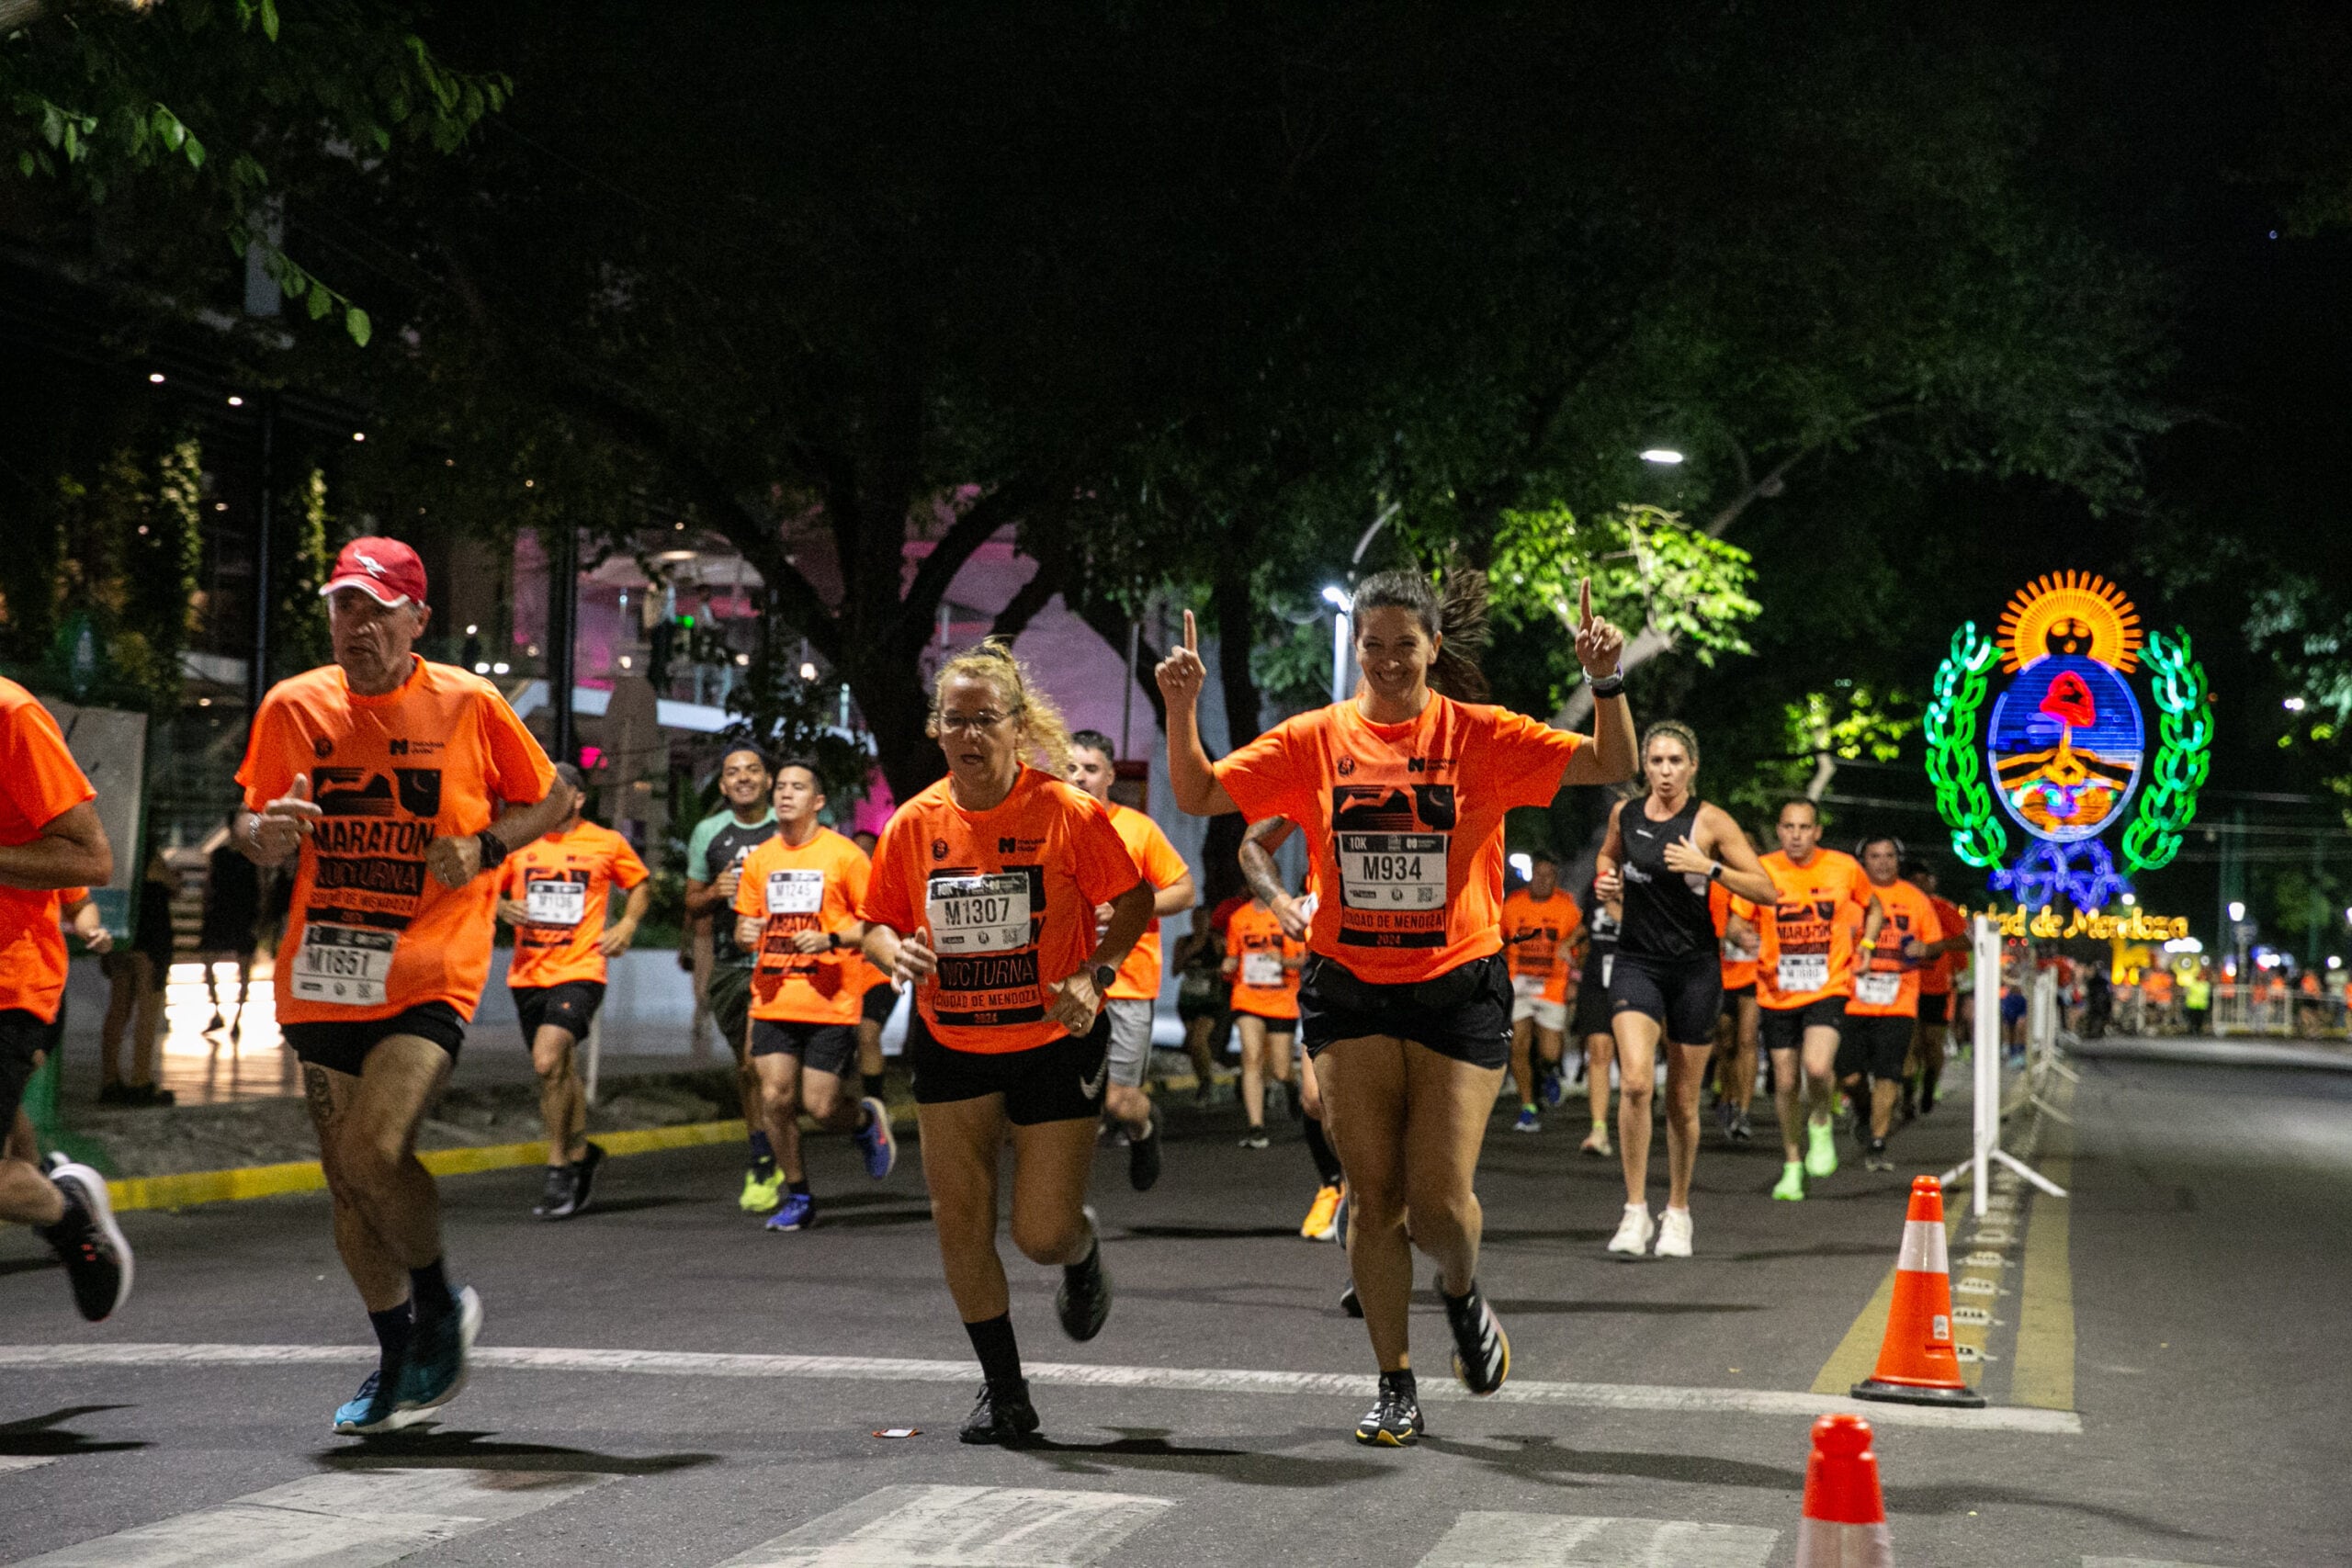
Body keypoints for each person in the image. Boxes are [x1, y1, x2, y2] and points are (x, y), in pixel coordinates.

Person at [1158, 567, 1634, 1446]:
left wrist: (1605, 679)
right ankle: (1394, 1380)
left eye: (1402, 646)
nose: (1384, 661)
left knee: (1440, 1203)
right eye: (1370, 645)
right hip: (1350, 984)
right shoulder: (1313, 739)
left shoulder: (1481, 737)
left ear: (1432, 649)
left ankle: (1460, 1292)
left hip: (1457, 984)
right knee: (1373, 1198)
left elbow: (1612, 762)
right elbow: (1198, 794)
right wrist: (1181, 706)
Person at [235, 536, 567, 1435]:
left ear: (417, 620)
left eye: (378, 609)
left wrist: (487, 846)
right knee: (346, 1181)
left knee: (377, 1149)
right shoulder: (293, 705)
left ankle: (435, 1308)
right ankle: (394, 1357)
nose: (358, 625)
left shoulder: (467, 701)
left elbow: (556, 797)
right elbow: (251, 817)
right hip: (324, 973)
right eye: (345, 606)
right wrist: (263, 835)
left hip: (429, 963)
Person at [859, 640, 1155, 1447]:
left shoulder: (1065, 810)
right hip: (952, 1036)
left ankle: (1082, 1250)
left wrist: (1095, 973)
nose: (969, 735)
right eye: (954, 721)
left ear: (1017, 727)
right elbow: (873, 922)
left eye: (985, 719)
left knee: (1040, 1232)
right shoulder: (915, 823)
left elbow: (1132, 902)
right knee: (960, 1219)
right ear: (937, 729)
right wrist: (896, 953)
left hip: (1051, 1038)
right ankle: (1005, 1389)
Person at [1592, 722, 1780, 1257]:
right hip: (1636, 964)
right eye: (1656, 761)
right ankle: (1634, 1212)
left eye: (1676, 761)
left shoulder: (1711, 821)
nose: (1666, 771)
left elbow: (1768, 889)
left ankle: (1677, 1211)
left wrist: (1710, 867)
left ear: (1692, 766)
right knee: (1633, 1083)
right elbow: (1609, 857)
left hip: (1695, 968)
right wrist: (1607, 879)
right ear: (1645, 767)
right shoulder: (1625, 815)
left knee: (1681, 1099)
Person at [0, 675, 130, 1322]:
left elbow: (92, 859)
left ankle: (64, 1212)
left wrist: (86, 921)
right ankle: (57, 1196)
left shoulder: (12, 716)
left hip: (8, 981)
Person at [732, 758, 896, 1232]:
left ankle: (862, 1123)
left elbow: (874, 923)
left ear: (818, 801)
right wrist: (747, 931)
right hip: (774, 997)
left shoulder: (844, 856)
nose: (785, 794)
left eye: (797, 787)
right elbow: (747, 927)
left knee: (821, 1107)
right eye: (781, 786)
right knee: (776, 1099)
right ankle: (799, 1195)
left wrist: (832, 940)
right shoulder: (761, 859)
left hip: (830, 998)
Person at [494, 761, 650, 1220]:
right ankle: (581, 1153)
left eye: (554, 792)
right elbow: (483, 890)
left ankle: (559, 1166)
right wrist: (503, 905)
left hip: (581, 969)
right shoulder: (519, 842)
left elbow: (639, 884)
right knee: (556, 1072)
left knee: (547, 1057)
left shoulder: (606, 842)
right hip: (528, 975)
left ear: (578, 798)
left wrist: (628, 923)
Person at [1065, 729, 1194, 1188]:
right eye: (1071, 767)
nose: (1079, 777)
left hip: (1126, 982)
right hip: (1067, 982)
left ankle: (1144, 1125)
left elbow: (1184, 890)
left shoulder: (1137, 829)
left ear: (1110, 776)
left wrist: (1131, 907)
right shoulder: (1050, 828)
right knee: (1060, 1094)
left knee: (1119, 1101)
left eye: (1090, 769)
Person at [1753, 798, 1884, 1201]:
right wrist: (1742, 936)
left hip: (1828, 984)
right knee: (1786, 1082)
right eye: (1788, 827)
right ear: (1779, 830)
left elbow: (1874, 908)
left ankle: (1822, 1121)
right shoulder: (1763, 869)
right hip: (1777, 990)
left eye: (1804, 827)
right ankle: (1793, 1163)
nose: (1796, 835)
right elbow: (1739, 921)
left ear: (1817, 832)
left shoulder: (1844, 867)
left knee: (1818, 1065)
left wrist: (1866, 944)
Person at [684, 745, 782, 1210]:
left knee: (761, 1063)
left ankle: (770, 1159)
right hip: (729, 967)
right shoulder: (709, 831)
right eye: (732, 773)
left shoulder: (788, 826)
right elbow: (691, 902)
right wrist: (713, 892)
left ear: (768, 780)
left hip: (782, 965)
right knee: (747, 1069)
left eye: (752, 770)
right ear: (723, 785)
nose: (743, 778)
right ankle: (764, 1151)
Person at [1238, 818, 1346, 1237]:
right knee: (1315, 1100)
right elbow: (1253, 843)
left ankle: (1373, 1197)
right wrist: (1285, 905)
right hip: (1327, 995)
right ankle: (1331, 1186)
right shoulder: (1307, 899)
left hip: (1391, 985)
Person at [1841, 836, 1963, 1170]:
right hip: (1852, 998)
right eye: (1874, 856)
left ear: (1899, 860)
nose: (1882, 862)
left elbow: (1938, 943)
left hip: (1899, 999)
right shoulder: (1849, 895)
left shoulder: (1915, 899)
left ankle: (1878, 1143)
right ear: (1862, 861)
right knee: (1848, 1076)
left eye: (1889, 856)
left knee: (1889, 1072)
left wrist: (1925, 949)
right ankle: (1864, 1111)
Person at [1498, 852, 1580, 1134]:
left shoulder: (1566, 908)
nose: (1544, 881)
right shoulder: (1513, 904)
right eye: (1539, 874)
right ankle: (1528, 1107)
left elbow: (1580, 944)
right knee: (1518, 1045)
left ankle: (1549, 1071)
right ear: (1531, 874)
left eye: (1550, 876)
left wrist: (1574, 979)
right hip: (1518, 983)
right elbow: (1499, 938)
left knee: (1549, 1051)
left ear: (1556, 879)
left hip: (1552, 985)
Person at [1224, 879, 1305, 1148]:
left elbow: (1304, 958)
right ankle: (1256, 1126)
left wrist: (1281, 960)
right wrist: (1228, 965)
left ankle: (1292, 1088)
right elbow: (1233, 956)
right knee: (1252, 1057)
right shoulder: (1239, 918)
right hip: (1247, 998)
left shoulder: (1286, 916)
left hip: (1282, 999)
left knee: (1281, 1070)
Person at [98, 844, 177, 1106]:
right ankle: (141, 1081)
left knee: (118, 1010)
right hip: (151, 941)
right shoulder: (151, 858)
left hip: (122, 937)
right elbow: (172, 885)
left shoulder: (118, 853)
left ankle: (110, 1080)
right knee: (148, 1013)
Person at [1904, 859, 1969, 1115]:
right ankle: (1907, 1096)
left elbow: (1966, 940)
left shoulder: (1945, 910)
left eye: (1924, 879)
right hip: (1905, 986)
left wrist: (1939, 948)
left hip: (1938, 988)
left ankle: (1929, 1088)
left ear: (1933, 882)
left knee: (1932, 1043)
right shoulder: (1898, 904)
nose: (1920, 885)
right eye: (1914, 880)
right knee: (1910, 1044)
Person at [198, 815, 263, 1036]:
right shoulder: (222, 855)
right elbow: (208, 886)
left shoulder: (252, 856)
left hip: (241, 914)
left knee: (243, 969)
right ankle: (221, 1014)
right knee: (211, 963)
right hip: (223, 913)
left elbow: (262, 889)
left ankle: (235, 1019)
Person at [1573, 878, 1623, 1157]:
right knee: (1599, 1051)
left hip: (1632, 977)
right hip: (1596, 979)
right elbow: (1587, 922)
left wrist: (1616, 900)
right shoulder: (1596, 888)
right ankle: (1599, 1129)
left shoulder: (1645, 884)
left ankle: (1635, 1122)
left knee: (1632, 1061)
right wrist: (1570, 941)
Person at [1709, 877, 1761, 1142]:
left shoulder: (1758, 884)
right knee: (1726, 1044)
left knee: (1747, 1040)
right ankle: (1728, 1098)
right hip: (1719, 973)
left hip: (1753, 975)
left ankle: (1743, 1110)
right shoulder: (1713, 886)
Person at [849, 827, 898, 1102]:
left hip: (878, 973)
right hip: (845, 974)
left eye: (869, 850)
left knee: (868, 1033)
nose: (863, 856)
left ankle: (875, 1105)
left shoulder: (887, 885)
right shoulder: (839, 881)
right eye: (857, 850)